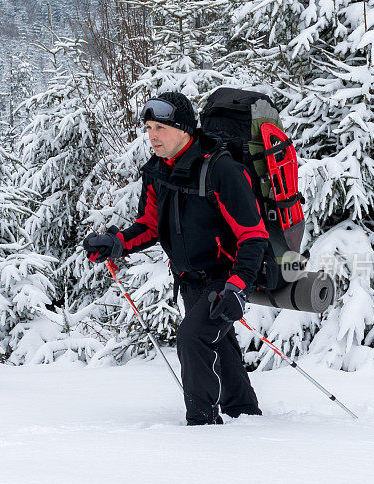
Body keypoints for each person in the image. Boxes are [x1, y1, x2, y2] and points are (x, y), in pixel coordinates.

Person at [82, 92, 269, 425]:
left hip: (224, 278)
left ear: (184, 129)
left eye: (161, 128)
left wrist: (238, 286)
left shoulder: (221, 169)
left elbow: (253, 235)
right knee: (218, 345)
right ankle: (245, 413)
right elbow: (150, 224)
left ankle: (202, 425)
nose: (152, 136)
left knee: (192, 337)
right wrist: (116, 243)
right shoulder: (158, 171)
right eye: (149, 127)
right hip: (188, 279)